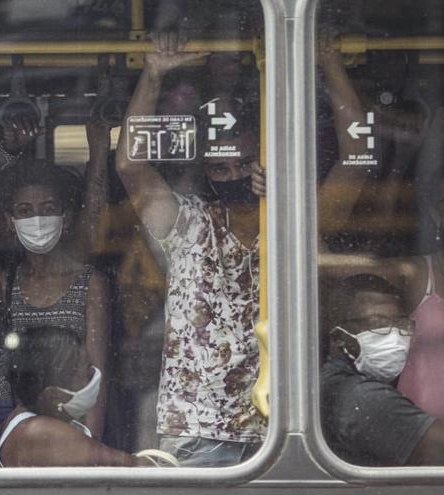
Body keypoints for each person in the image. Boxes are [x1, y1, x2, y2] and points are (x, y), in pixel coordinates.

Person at [114, 33, 370, 466]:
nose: (233, 174)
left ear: (265, 161)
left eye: (244, 164)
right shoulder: (188, 223)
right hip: (197, 427)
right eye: (220, 166)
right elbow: (129, 166)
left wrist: (328, 61)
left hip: (284, 424)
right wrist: (153, 74)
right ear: (205, 171)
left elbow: (359, 153)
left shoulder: (294, 219)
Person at [0, 162, 112, 442]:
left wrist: (90, 443)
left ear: (65, 218)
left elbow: (97, 372)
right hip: (12, 415)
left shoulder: (90, 283)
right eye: (25, 211)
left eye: (48, 208)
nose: (38, 219)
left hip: (71, 413)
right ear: (10, 221)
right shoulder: (4, 282)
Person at [322, 274, 444, 466]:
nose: (394, 336)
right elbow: (440, 449)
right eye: (377, 322)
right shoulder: (359, 397)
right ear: (338, 336)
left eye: (399, 324)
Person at [0, 326, 158, 467]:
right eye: (87, 373)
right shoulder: (38, 431)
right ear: (54, 396)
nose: (93, 377)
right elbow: (135, 468)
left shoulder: (27, 416)